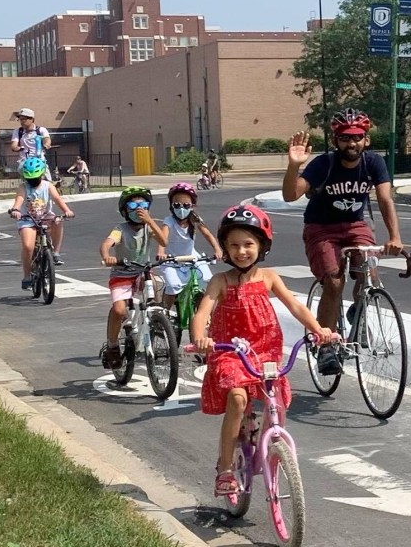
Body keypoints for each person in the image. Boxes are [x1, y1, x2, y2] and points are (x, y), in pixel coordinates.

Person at [191, 205, 333, 496]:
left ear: (262, 246)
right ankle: (226, 467)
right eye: (233, 245)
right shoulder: (221, 281)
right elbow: (203, 311)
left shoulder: (268, 277)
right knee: (237, 397)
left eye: (248, 244)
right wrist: (199, 338)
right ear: (225, 249)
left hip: (265, 350)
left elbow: (295, 305)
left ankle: (268, 441)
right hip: (229, 350)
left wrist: (318, 329)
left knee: (275, 401)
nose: (241, 251)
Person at [282, 107, 404, 375]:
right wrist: (294, 166)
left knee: (368, 272)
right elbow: (290, 195)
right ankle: (325, 345)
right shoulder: (323, 164)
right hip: (321, 228)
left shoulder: (374, 163)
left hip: (355, 225)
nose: (352, 143)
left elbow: (385, 199)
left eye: (357, 137)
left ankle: (358, 312)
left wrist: (394, 237)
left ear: (366, 139)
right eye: (345, 137)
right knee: (335, 281)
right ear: (336, 140)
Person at [98, 187, 167, 370]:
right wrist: (107, 256)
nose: (139, 209)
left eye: (143, 205)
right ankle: (112, 346)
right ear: (125, 210)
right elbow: (106, 244)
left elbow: (164, 242)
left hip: (142, 273)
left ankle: (158, 323)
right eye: (133, 205)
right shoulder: (120, 229)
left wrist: (150, 221)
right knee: (120, 311)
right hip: (122, 274)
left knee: (157, 285)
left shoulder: (148, 227)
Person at [8, 156, 74, 289]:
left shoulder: (48, 186)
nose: (32, 181)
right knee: (28, 247)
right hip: (27, 219)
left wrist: (67, 211)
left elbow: (57, 199)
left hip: (45, 216)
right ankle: (27, 276)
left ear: (42, 175)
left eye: (35, 178)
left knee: (57, 220)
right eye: (29, 179)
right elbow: (19, 201)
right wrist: (15, 210)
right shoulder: (23, 187)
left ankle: (55, 253)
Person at [155, 182, 222, 311]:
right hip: (171, 260)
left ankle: (207, 315)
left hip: (192, 257)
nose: (181, 209)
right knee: (173, 286)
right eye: (177, 205)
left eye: (186, 205)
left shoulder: (194, 219)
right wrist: (161, 252)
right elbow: (163, 238)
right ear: (171, 206)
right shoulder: (169, 221)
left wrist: (217, 249)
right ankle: (165, 313)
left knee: (207, 279)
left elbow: (207, 234)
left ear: (192, 206)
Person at [11, 108, 52, 178]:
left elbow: (47, 139)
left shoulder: (41, 130)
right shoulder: (17, 131)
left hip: (39, 160)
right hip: (24, 161)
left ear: (32, 119)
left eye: (24, 119)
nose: (21, 121)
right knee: (25, 184)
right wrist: (17, 148)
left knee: (48, 182)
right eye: (20, 119)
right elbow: (14, 145)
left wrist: (46, 144)